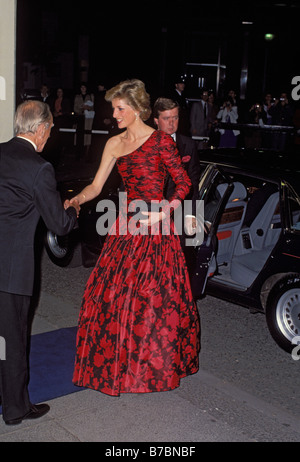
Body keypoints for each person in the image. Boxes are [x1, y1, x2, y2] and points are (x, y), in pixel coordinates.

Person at [71, 79, 200, 396]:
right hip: (126, 224)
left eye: (119, 108)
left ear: (137, 110)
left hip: (155, 225)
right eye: (113, 108)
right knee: (111, 296)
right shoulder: (114, 144)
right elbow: (96, 187)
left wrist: (165, 212)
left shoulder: (160, 142)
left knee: (154, 300)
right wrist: (75, 200)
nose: (114, 114)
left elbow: (183, 183)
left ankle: (149, 367)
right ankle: (119, 364)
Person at [0, 100, 80, 425]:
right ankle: (16, 409)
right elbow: (59, 225)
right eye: (50, 129)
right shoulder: (39, 167)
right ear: (41, 129)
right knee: (14, 340)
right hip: (11, 273)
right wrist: (73, 212)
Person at [152, 97, 200, 271]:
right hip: (152, 214)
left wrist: (194, 215)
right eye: (166, 118)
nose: (172, 123)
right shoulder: (145, 144)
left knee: (180, 265)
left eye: (175, 118)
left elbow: (194, 181)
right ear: (156, 121)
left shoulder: (188, 144)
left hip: (180, 212)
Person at [73, 83, 95, 157]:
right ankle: (78, 154)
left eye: (84, 87)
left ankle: (86, 153)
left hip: (88, 118)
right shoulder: (77, 96)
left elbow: (93, 106)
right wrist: (81, 109)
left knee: (87, 136)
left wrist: (88, 108)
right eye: (81, 87)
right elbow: (75, 108)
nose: (83, 88)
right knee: (79, 136)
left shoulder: (90, 96)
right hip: (80, 117)